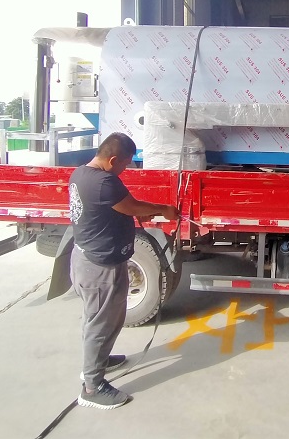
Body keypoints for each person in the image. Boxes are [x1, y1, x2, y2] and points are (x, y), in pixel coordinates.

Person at [68, 132, 179, 410]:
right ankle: (92, 387)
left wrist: (133, 212)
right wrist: (163, 209)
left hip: (90, 260)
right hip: (99, 267)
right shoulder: (105, 182)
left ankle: (99, 361)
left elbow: (116, 209)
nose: (125, 169)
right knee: (100, 323)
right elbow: (131, 205)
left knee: (101, 319)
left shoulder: (81, 174)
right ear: (113, 159)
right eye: (125, 164)